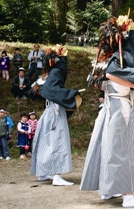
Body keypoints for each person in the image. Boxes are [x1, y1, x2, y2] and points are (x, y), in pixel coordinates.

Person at [80, 15, 134, 208]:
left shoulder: (109, 58)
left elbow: (103, 82)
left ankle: (108, 189)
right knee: (124, 150)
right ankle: (128, 196)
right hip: (119, 108)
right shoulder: (118, 58)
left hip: (110, 107)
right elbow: (111, 74)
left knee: (110, 149)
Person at [30, 45, 82, 185]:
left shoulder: (49, 73)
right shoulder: (57, 71)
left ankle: (42, 172)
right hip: (55, 110)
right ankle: (57, 176)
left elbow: (42, 89)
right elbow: (53, 90)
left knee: (44, 141)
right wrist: (72, 94)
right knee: (58, 140)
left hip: (49, 110)